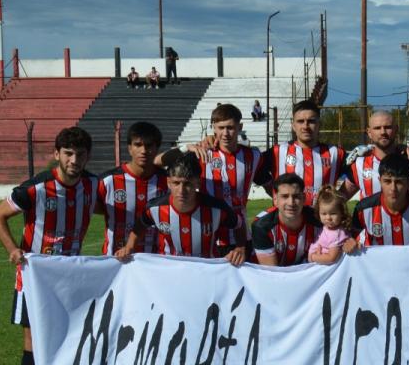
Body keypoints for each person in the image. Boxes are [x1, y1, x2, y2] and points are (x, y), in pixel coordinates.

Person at [0, 127, 98, 365]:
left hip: (70, 281)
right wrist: (12, 249)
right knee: (33, 347)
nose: (74, 160)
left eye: (80, 154)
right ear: (56, 154)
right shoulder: (35, 188)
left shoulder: (92, 186)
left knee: (71, 344)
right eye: (68, 154)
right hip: (34, 282)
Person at [117, 151, 246, 266]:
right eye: (176, 183)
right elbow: (140, 226)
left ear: (197, 183)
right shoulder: (154, 208)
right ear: (168, 182)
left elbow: (239, 224)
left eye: (188, 184)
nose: (181, 190)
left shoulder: (217, 208)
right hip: (168, 270)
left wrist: (240, 248)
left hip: (207, 271)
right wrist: (129, 246)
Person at [171, 103, 269, 244]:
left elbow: (270, 185)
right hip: (207, 235)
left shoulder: (254, 156)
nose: (225, 133)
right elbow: (159, 162)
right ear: (214, 129)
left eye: (230, 127)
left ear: (239, 127)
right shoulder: (202, 153)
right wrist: (186, 147)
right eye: (221, 128)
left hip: (240, 237)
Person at [349, 152, 409, 248]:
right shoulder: (363, 209)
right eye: (387, 181)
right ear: (380, 181)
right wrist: (348, 241)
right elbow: (348, 237)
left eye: (399, 182)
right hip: (377, 265)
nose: (393, 188)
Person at [97, 121, 168, 255]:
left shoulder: (168, 181)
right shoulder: (108, 181)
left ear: (157, 148)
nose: (143, 151)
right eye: (138, 145)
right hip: (116, 260)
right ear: (129, 148)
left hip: (155, 261)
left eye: (149, 145)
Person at [343, 109, 409, 202]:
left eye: (388, 127)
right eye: (377, 128)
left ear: (396, 129)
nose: (383, 132)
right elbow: (340, 198)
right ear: (369, 132)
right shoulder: (359, 165)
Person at [267, 99, 348, 207]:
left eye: (311, 121)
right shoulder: (277, 152)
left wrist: (336, 201)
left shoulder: (336, 153)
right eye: (300, 121)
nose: (305, 126)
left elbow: (358, 175)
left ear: (319, 124)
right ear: (293, 125)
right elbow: (256, 173)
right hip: (287, 221)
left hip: (320, 222)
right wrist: (275, 193)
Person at [250, 173, 322, 266]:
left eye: (296, 196)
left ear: (304, 198)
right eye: (285, 196)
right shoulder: (261, 226)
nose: (291, 203)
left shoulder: (319, 220)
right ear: (275, 199)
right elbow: (271, 272)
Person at [307, 186, 351, 264]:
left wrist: (313, 257)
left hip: (326, 269)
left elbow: (331, 258)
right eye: (324, 214)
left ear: (342, 213)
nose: (328, 218)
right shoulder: (326, 228)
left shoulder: (336, 234)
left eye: (333, 213)